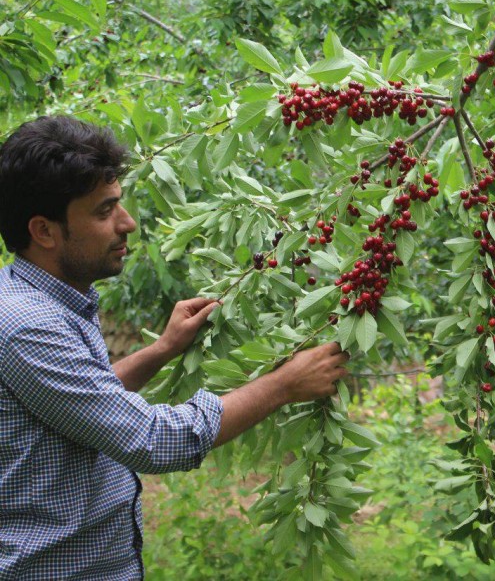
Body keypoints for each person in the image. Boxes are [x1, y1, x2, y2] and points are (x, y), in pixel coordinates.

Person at [0, 116, 349, 579]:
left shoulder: (43, 299)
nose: (128, 224)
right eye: (104, 212)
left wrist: (162, 349)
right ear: (44, 231)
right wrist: (283, 385)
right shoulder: (28, 326)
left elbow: (82, 401)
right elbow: (154, 441)